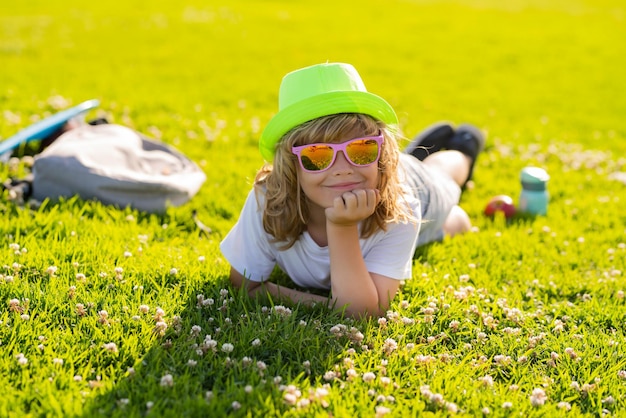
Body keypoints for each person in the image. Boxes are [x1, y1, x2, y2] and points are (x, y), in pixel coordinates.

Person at [220, 63, 484, 318]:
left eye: (361, 147)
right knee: (454, 224)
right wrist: (331, 304)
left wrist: (342, 227)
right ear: (290, 166)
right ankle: (448, 213)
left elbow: (362, 312)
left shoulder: (402, 204)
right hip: (369, 173)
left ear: (380, 151)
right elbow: (245, 285)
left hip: (416, 186)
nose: (343, 169)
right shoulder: (268, 200)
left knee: (444, 176)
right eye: (317, 154)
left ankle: (463, 147)